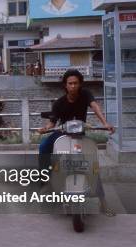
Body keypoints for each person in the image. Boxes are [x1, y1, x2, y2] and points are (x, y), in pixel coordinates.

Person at [38, 68, 115, 215]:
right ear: (65, 85)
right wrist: (45, 128)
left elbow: (95, 107)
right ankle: (46, 180)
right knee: (43, 146)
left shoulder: (85, 95)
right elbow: (52, 123)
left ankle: (103, 204)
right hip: (62, 134)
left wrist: (105, 122)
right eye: (70, 83)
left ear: (80, 84)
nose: (73, 86)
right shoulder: (59, 103)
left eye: (75, 83)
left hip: (80, 135)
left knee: (91, 165)